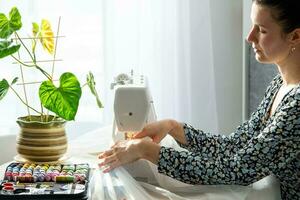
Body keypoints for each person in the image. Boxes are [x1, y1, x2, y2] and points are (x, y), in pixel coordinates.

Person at [98, 0, 300, 199]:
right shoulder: (279, 85)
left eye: (262, 30)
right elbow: (233, 146)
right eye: (252, 26)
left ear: (295, 35)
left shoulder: (297, 105)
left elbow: (236, 170)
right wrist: (173, 127)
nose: (249, 37)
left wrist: (146, 150)